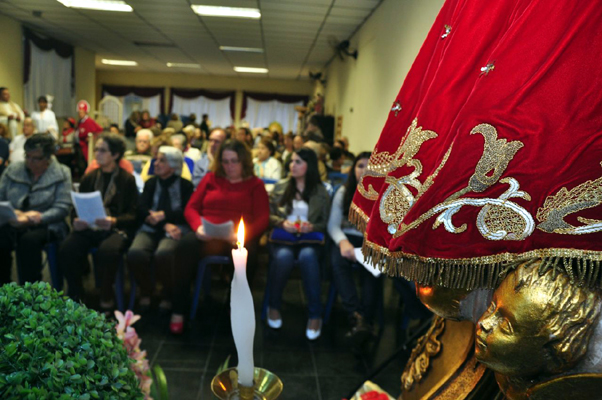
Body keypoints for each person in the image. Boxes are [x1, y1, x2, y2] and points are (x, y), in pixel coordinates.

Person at [170, 139, 270, 334]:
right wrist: (198, 227)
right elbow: (191, 207)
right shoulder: (210, 179)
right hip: (208, 233)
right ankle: (179, 309)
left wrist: (241, 235)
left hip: (238, 237)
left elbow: (262, 218)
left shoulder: (255, 185)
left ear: (244, 162)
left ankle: (236, 309)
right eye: (225, 161)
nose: (229, 166)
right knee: (182, 249)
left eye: (234, 161)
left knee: (248, 257)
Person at [59, 134, 138, 312]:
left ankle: (106, 293)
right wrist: (75, 220)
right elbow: (76, 206)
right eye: (96, 150)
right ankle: (76, 293)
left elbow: (134, 214)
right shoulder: (90, 177)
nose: (97, 153)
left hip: (115, 228)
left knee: (107, 251)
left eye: (102, 150)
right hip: (89, 226)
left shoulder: (126, 179)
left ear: (115, 155)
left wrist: (114, 220)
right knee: (66, 248)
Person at [267, 148, 330, 340]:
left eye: (297, 162)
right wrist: (281, 222)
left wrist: (312, 226)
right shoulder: (281, 186)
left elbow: (325, 222)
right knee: (284, 257)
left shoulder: (321, 191)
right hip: (284, 237)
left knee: (308, 256)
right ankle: (273, 305)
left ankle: (314, 314)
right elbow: (267, 215)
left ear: (308, 166)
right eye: (291, 161)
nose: (291, 165)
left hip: (308, 239)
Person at [127, 146, 193, 310]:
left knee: (164, 254)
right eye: (156, 159)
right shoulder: (151, 183)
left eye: (162, 160)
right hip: (151, 227)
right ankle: (147, 289)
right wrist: (162, 222)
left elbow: (186, 211)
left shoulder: (185, 186)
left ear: (173, 165)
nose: (155, 163)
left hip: (176, 229)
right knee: (135, 252)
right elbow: (141, 208)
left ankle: (167, 292)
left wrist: (164, 216)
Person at [0, 134, 71, 284]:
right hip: (13, 220)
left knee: (28, 242)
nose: (29, 162)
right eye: (27, 156)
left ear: (48, 158)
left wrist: (37, 218)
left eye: (35, 158)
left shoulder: (62, 172)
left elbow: (62, 207)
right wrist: (17, 214)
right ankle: (4, 290)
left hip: (46, 223)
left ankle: (30, 293)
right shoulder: (13, 169)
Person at [327, 152, 383, 344]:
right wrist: (343, 242)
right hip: (346, 237)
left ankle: (366, 319)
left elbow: (385, 230)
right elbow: (333, 225)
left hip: (371, 242)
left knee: (373, 269)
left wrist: (370, 246)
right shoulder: (344, 192)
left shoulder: (383, 195)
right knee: (337, 260)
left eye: (369, 166)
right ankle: (356, 315)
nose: (364, 170)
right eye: (360, 165)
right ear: (353, 169)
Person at [75, 100, 103, 164]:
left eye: (82, 112)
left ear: (86, 112)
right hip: (79, 146)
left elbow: (99, 131)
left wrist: (92, 138)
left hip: (86, 147)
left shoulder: (89, 121)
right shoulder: (80, 122)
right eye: (79, 112)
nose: (80, 114)